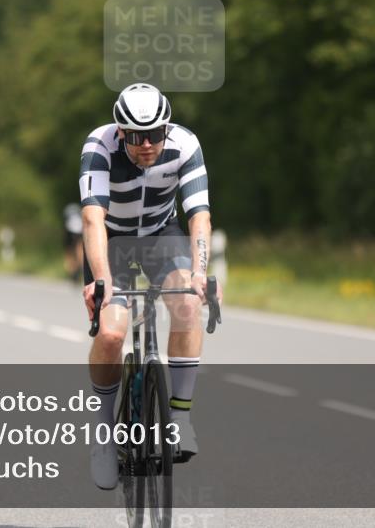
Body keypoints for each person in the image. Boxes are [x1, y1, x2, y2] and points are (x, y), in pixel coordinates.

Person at [79, 83, 222, 490]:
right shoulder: (99, 148)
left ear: (167, 127)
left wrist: (199, 273)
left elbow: (199, 216)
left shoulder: (185, 144)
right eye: (137, 136)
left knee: (188, 305)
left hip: (162, 234)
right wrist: (102, 281)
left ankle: (179, 416)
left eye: (156, 134)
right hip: (112, 241)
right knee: (110, 331)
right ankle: (104, 433)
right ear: (120, 131)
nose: (147, 145)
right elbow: (92, 220)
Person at [62, 203, 84, 282]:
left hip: (70, 232)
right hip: (80, 231)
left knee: (69, 252)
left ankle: (72, 271)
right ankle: (81, 266)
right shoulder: (79, 210)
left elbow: (65, 224)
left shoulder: (68, 211)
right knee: (80, 248)